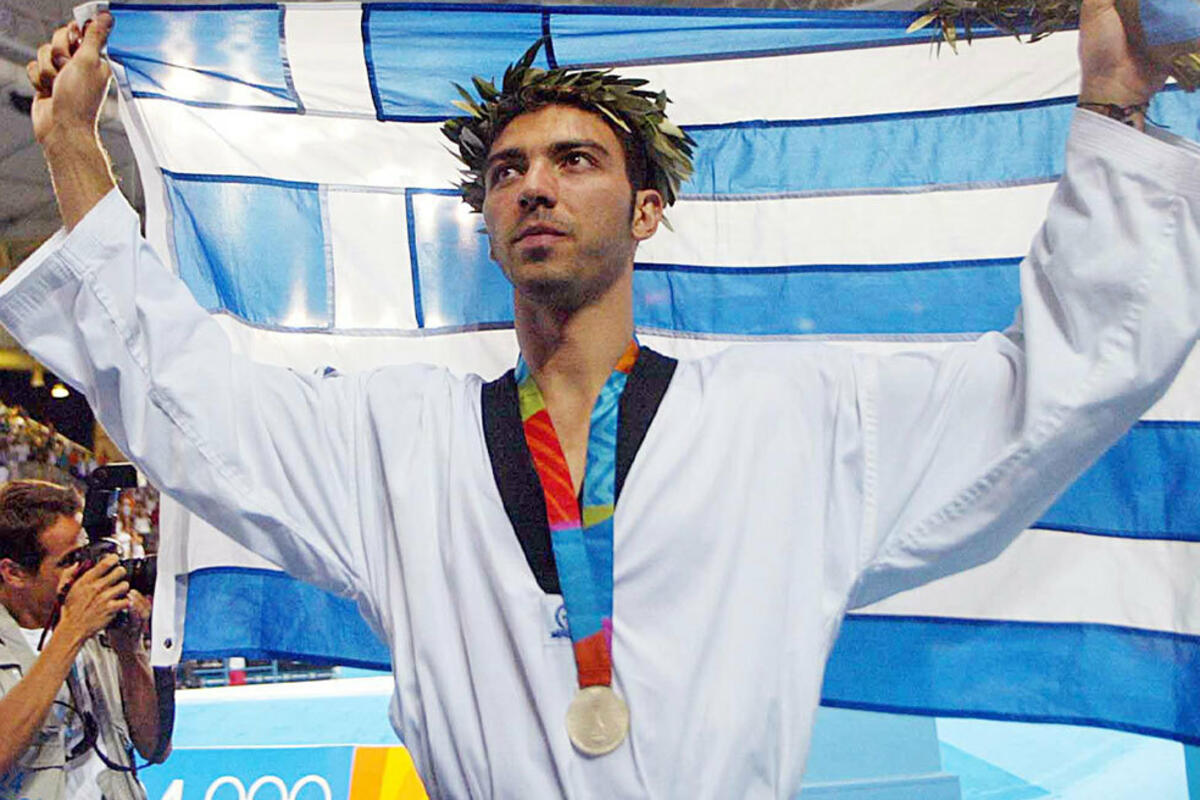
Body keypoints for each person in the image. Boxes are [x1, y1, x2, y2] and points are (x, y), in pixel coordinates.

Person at [5, 0, 1198, 796]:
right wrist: (76, 156)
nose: (535, 186)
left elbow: (1047, 390)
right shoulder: (395, 442)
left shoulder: (794, 421)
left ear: (646, 210)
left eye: (575, 160)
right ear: (485, 224)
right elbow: (200, 408)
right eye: (508, 170)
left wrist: (1114, 106)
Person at [0, 480, 164, 799]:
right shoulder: (80, 623)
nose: (85, 572)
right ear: (13, 573)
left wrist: (131, 653)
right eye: (68, 561)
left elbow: (154, 747)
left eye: (85, 554)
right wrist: (72, 631)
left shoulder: (97, 623)